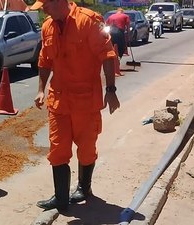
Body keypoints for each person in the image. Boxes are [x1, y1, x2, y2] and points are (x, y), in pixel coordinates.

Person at [30, 0, 120, 210]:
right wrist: (41, 89)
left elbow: (107, 55)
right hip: (59, 100)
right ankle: (61, 198)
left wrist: (111, 90)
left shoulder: (89, 21)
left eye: (45, 5)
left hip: (85, 102)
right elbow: (45, 61)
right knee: (58, 149)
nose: (43, 10)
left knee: (87, 149)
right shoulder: (48, 27)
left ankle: (84, 187)